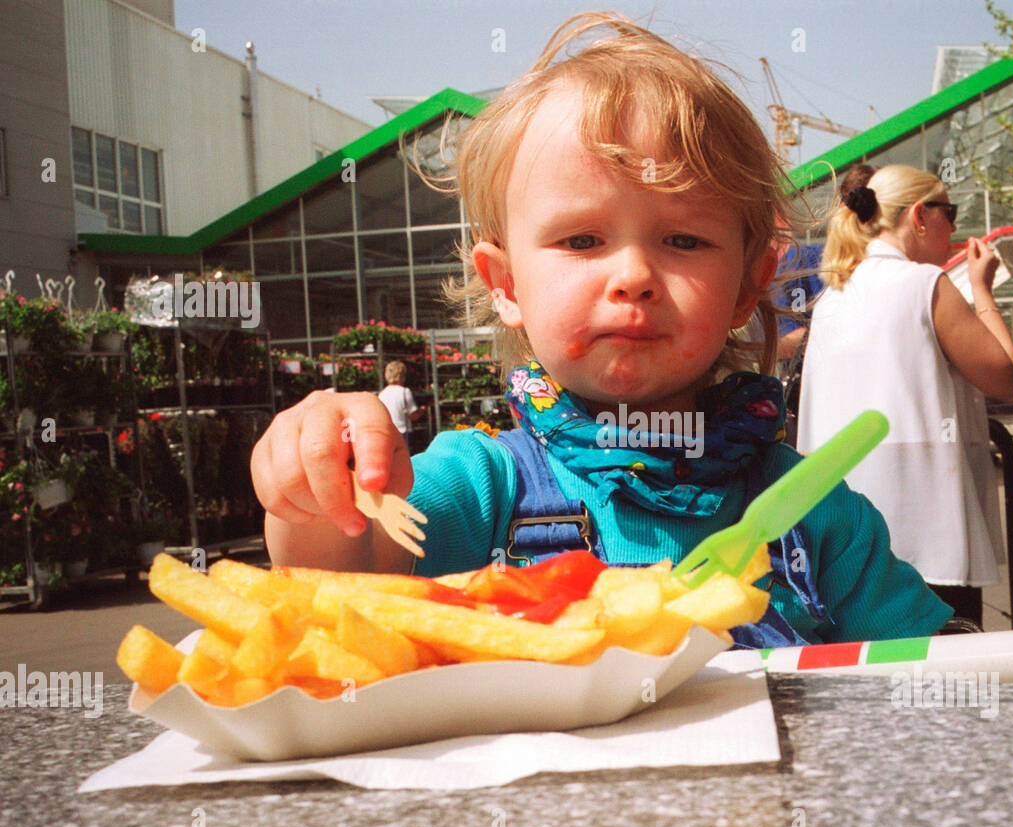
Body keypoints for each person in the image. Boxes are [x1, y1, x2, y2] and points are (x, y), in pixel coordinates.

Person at [250, 14, 953, 648]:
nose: (635, 275)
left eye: (683, 240)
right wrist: (316, 490)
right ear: (506, 285)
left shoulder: (812, 510)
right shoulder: (484, 485)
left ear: (747, 285)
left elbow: (927, 672)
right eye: (583, 240)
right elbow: (339, 578)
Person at [797, 163, 1013, 627]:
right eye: (948, 210)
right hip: (930, 536)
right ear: (919, 216)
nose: (955, 226)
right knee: (945, 681)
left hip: (848, 538)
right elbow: (1003, 376)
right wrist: (981, 288)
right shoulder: (924, 284)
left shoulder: (834, 294)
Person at [376, 360, 424, 453]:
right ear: (402, 376)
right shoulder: (405, 392)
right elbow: (413, 416)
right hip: (403, 433)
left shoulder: (382, 394)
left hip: (388, 433)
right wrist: (423, 410)